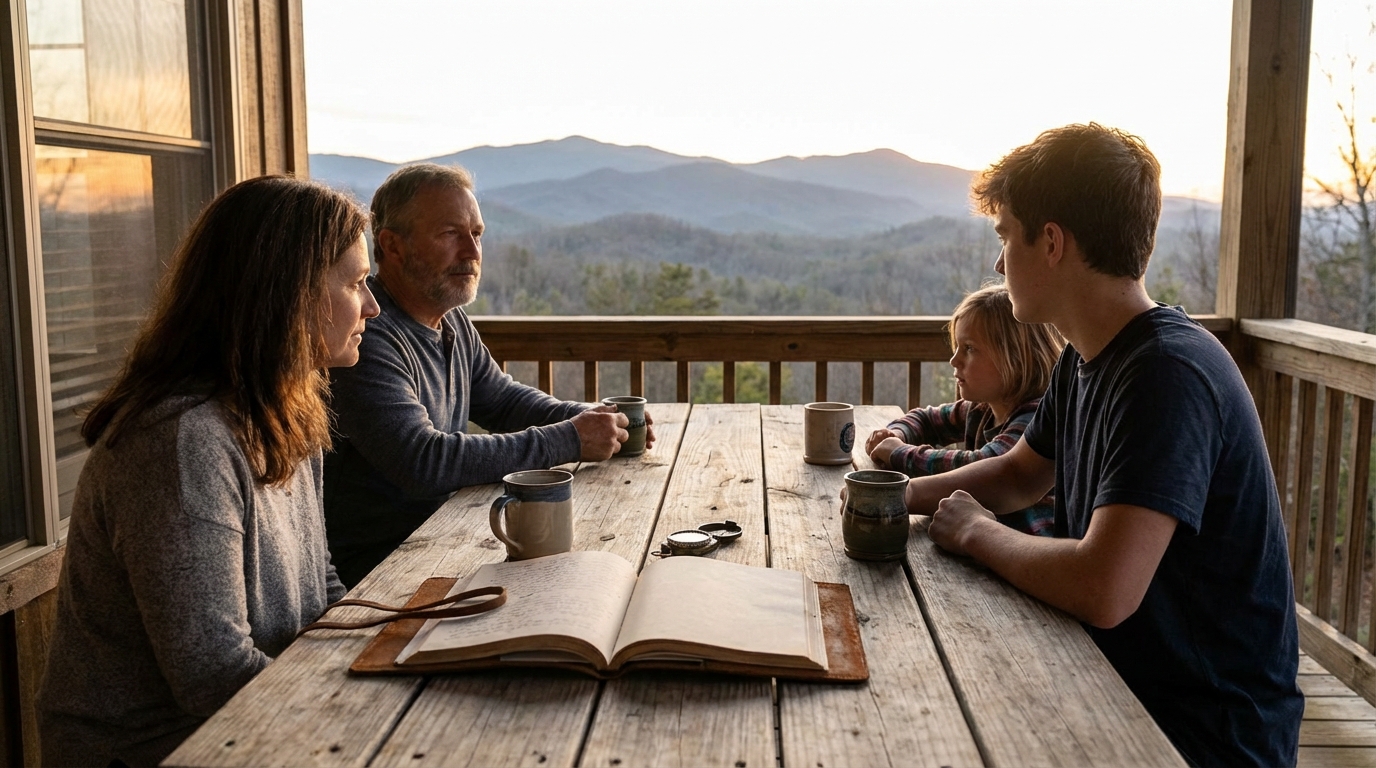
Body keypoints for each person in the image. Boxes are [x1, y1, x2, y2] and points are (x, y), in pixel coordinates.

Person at [901, 124, 1302, 766]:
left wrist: (976, 532)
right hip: (1117, 682)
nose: (999, 265)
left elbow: (1104, 588)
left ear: (1052, 242)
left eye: (1007, 237)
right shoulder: (1085, 358)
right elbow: (1017, 476)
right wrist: (896, 496)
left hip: (1198, 733)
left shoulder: (1167, 373)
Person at [37, 175, 379, 767]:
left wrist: (379, 661)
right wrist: (356, 718)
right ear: (289, 293)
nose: (372, 306)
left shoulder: (283, 412)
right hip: (160, 750)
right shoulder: (180, 441)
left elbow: (318, 586)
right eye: (355, 283)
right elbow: (211, 674)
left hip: (256, 723)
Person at [324, 163, 653, 587]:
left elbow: (503, 401)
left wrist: (596, 417)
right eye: (450, 234)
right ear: (393, 246)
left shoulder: (450, 320)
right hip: (383, 571)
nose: (472, 252)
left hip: (445, 540)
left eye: (476, 234)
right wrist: (572, 438)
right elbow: (423, 460)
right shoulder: (363, 337)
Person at [865, 284, 1062, 536]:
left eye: (969, 348)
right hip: (980, 546)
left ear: (1015, 356)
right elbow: (927, 419)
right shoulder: (981, 409)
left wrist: (902, 453)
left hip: (1025, 557)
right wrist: (897, 433)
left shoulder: (1037, 416)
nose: (954, 360)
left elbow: (984, 467)